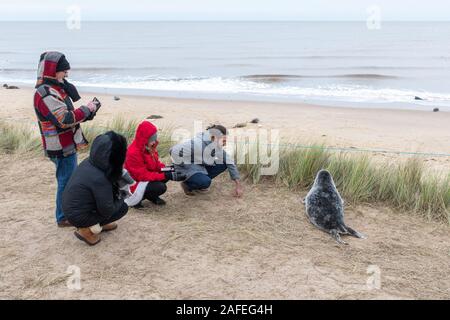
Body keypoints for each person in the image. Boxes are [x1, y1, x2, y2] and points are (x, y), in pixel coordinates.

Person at [33, 51, 100, 227]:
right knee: (66, 181)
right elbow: (65, 119)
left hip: (65, 143)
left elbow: (68, 116)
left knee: (67, 179)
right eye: (64, 71)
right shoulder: (45, 93)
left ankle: (64, 214)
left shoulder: (55, 89)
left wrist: (89, 112)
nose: (67, 74)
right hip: (59, 145)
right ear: (52, 71)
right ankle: (62, 217)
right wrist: (87, 108)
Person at [62, 131, 130, 246]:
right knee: (122, 208)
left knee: (113, 201)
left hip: (71, 209)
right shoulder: (100, 177)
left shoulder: (90, 162)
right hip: (78, 216)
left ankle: (99, 225)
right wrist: (122, 196)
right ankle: (86, 230)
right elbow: (107, 209)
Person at [124, 120, 186, 208]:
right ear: (145, 139)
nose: (154, 142)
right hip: (134, 184)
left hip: (144, 179)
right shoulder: (133, 152)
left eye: (154, 139)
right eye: (151, 140)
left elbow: (156, 166)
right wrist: (166, 175)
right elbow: (142, 176)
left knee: (168, 174)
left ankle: (151, 195)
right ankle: (135, 200)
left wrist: (171, 169)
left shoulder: (149, 147)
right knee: (161, 187)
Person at [170, 124, 243, 197]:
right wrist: (186, 168)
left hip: (200, 165)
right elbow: (174, 151)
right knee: (206, 182)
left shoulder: (216, 144)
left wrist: (238, 185)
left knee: (224, 163)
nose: (225, 143)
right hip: (188, 166)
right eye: (223, 140)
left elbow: (229, 161)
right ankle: (187, 184)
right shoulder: (198, 143)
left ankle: (199, 180)